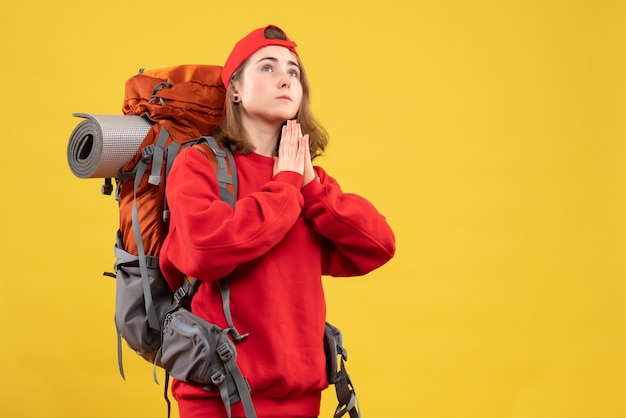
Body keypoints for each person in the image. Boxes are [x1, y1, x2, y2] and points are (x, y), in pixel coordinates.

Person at [159, 24, 396, 418]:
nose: (285, 79)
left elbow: (379, 245)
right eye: (267, 68)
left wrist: (310, 186)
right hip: (217, 399)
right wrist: (287, 184)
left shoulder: (309, 183)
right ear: (234, 88)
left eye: (293, 72)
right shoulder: (199, 165)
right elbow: (206, 250)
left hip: (303, 399)